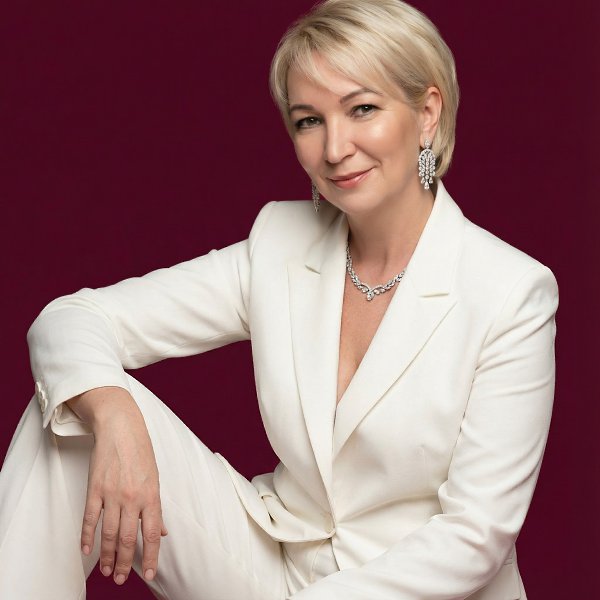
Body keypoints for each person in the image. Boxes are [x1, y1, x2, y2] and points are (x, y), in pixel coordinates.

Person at [0, 0, 558, 598]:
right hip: (273, 568)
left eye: (362, 109)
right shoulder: (279, 244)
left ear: (427, 113)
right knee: (72, 406)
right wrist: (113, 412)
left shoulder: (511, 292)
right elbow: (71, 320)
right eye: (309, 120)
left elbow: (474, 536)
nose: (334, 148)